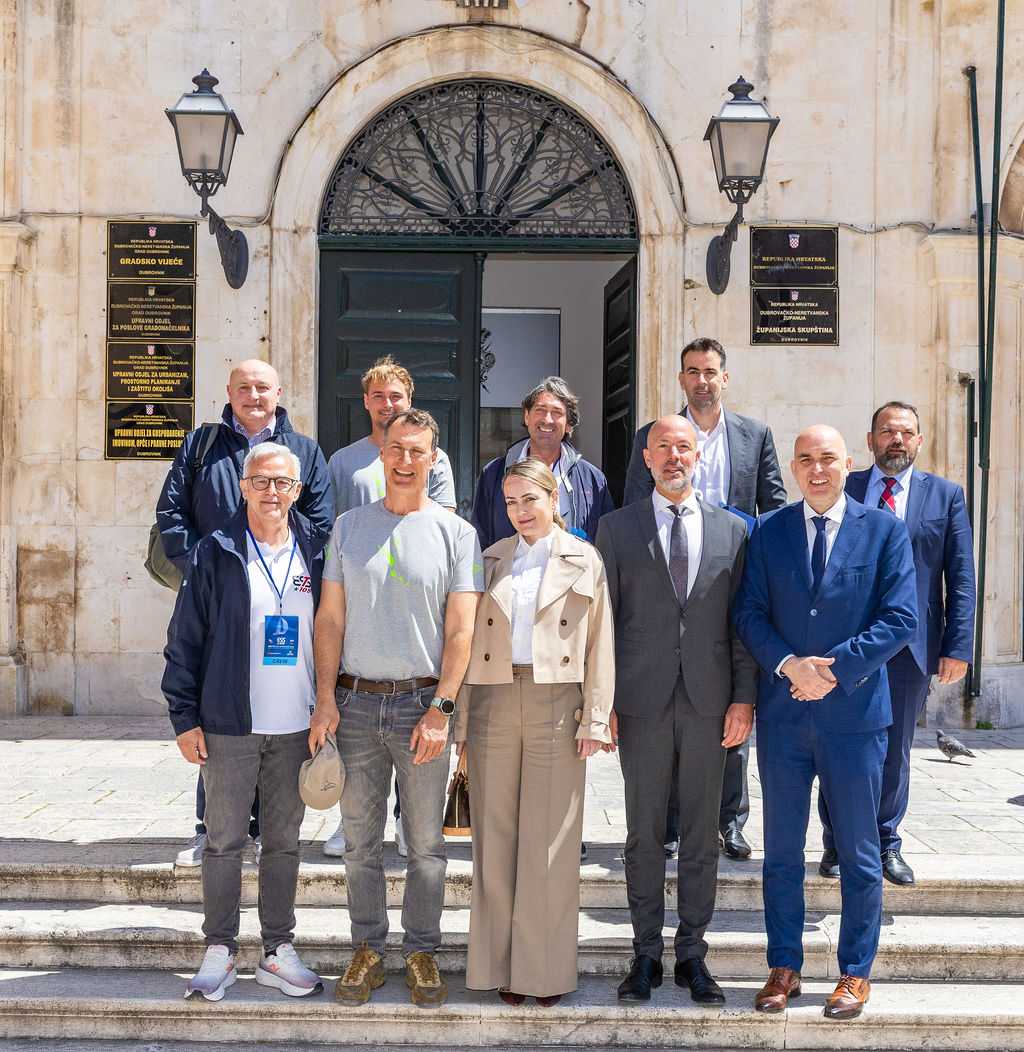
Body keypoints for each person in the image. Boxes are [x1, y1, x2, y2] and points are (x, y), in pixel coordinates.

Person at [733, 425, 917, 1021]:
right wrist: (790, 665)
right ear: (792, 467)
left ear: (848, 464)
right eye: (806, 459)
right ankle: (783, 966)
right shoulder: (768, 531)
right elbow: (749, 613)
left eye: (828, 459)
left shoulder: (884, 531)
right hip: (785, 718)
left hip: (854, 719)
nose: (817, 469)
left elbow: (900, 619)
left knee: (860, 853)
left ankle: (855, 971)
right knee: (782, 853)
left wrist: (832, 671)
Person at [309, 409, 482, 1009]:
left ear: (434, 459)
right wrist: (324, 699)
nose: (406, 460)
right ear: (381, 453)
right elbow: (329, 619)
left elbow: (462, 630)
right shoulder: (347, 527)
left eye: (417, 451)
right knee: (360, 842)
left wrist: (442, 709)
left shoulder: (457, 534)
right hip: (355, 703)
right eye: (396, 448)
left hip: (421, 707)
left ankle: (422, 950)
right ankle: (368, 948)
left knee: (427, 845)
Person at [595, 416, 757, 1006]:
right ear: (645, 456)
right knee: (642, 834)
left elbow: (742, 624)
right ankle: (645, 954)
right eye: (662, 446)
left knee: (701, 835)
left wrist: (743, 698)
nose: (673, 456)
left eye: (684, 447)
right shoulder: (616, 528)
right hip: (639, 702)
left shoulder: (733, 530)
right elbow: (603, 623)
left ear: (699, 456)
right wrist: (603, 702)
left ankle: (692, 953)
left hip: (710, 703)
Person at [163, 443, 325, 1003]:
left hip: (297, 726)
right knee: (223, 841)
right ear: (243, 487)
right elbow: (184, 638)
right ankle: (220, 948)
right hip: (229, 722)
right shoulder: (216, 550)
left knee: (283, 842)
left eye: (282, 483)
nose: (271, 492)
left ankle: (278, 949)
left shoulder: (318, 549)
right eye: (260, 481)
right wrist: (184, 716)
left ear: (297, 491)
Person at [157, 359, 333, 869]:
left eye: (262, 388)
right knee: (222, 710)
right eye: (244, 388)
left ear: (279, 393)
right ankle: (211, 828)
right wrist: (208, 569)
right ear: (229, 392)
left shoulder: (305, 452)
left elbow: (320, 520)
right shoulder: (202, 445)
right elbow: (171, 513)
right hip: (220, 596)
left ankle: (265, 831)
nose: (253, 396)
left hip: (284, 592)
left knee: (277, 713)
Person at [455, 458, 614, 1007]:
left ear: (553, 499)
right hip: (494, 699)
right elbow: (468, 643)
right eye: (511, 501)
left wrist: (595, 718)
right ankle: (497, 965)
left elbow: (600, 643)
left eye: (530, 499)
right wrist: (461, 723)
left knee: (550, 843)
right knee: (494, 839)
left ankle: (542, 972)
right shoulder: (491, 558)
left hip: (557, 702)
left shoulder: (584, 558)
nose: (520, 511)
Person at [624, 338, 787, 862]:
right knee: (672, 706)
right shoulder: (654, 435)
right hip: (669, 576)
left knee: (728, 700)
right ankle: (671, 824)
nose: (702, 380)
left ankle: (730, 820)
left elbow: (774, 504)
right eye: (692, 371)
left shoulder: (755, 435)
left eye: (710, 371)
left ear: (725, 378)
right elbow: (634, 505)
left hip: (730, 573)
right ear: (681, 379)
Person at [818, 402, 975, 886]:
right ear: (870, 441)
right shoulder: (846, 487)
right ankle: (838, 842)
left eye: (906, 432)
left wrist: (958, 645)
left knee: (894, 748)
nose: (897, 440)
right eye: (887, 432)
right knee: (838, 743)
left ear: (920, 441)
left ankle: (885, 841)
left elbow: (961, 575)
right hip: (848, 645)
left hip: (910, 645)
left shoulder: (945, 495)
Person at [322, 356, 457, 860]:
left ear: (409, 399)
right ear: (365, 402)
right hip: (361, 588)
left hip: (414, 599)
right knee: (360, 751)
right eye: (378, 396)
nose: (386, 403)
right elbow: (331, 522)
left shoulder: (436, 461)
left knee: (411, 739)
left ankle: (406, 821)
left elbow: (441, 519)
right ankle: (349, 825)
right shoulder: (343, 461)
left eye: (395, 396)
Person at [472, 376, 614, 550]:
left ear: (569, 425)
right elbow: (479, 538)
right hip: (510, 567)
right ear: (526, 416)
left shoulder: (593, 480)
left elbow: (606, 543)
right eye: (540, 410)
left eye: (557, 412)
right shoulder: (494, 473)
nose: (547, 419)